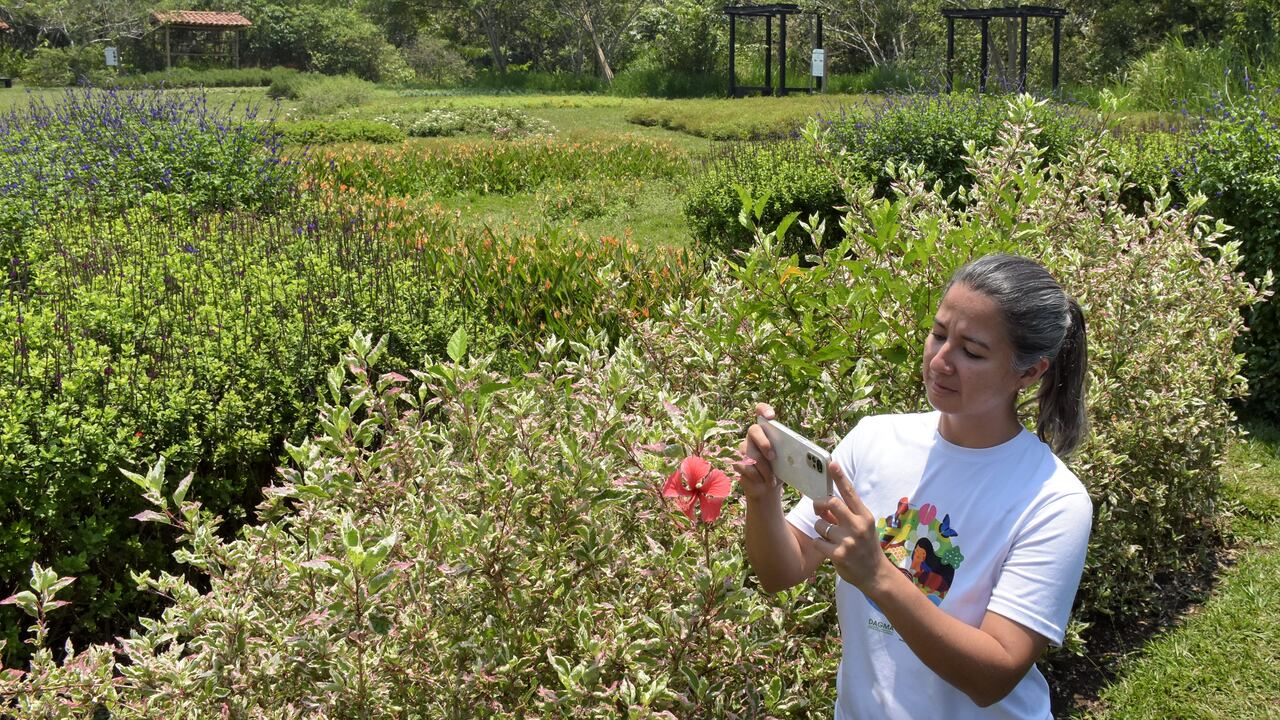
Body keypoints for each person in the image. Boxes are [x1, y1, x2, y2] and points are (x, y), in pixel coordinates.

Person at [735, 253, 1093, 719]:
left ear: (1029, 372)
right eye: (939, 334)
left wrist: (879, 576)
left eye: (972, 351)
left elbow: (994, 676)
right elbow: (781, 571)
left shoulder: (1053, 500)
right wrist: (762, 498)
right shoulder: (875, 439)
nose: (941, 360)